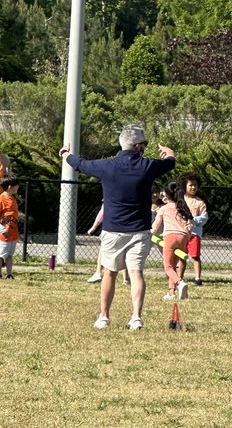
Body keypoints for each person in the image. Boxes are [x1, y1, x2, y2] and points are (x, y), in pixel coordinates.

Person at [61, 126, 175, 331]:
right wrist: (170, 153)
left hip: (113, 230)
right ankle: (135, 317)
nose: (145, 148)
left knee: (109, 273)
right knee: (136, 273)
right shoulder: (147, 166)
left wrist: (66, 154)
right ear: (138, 146)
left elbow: (80, 164)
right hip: (140, 230)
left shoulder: (107, 166)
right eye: (145, 144)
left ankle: (104, 316)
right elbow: (169, 163)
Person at [152, 181, 192, 302]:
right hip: (183, 238)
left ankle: (180, 283)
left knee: (168, 267)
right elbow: (190, 225)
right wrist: (187, 237)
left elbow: (156, 226)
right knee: (174, 266)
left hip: (170, 237)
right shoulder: (183, 207)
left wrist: (150, 233)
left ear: (167, 196)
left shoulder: (164, 208)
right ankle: (171, 292)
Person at [180, 174, 208, 287]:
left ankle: (197, 278)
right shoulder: (180, 200)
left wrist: (193, 219)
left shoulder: (199, 203)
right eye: (190, 185)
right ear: (184, 186)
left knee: (195, 256)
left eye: (195, 185)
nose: (193, 187)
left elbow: (204, 218)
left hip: (194, 234)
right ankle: (179, 278)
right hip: (181, 233)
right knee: (181, 256)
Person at [0, 177, 22, 278]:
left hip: (13, 231)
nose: (18, 187)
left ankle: (9, 274)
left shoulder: (12, 198)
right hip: (4, 232)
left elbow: (13, 214)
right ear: (10, 187)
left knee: (10, 254)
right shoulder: (2, 199)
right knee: (1, 254)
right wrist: (3, 228)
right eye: (16, 186)